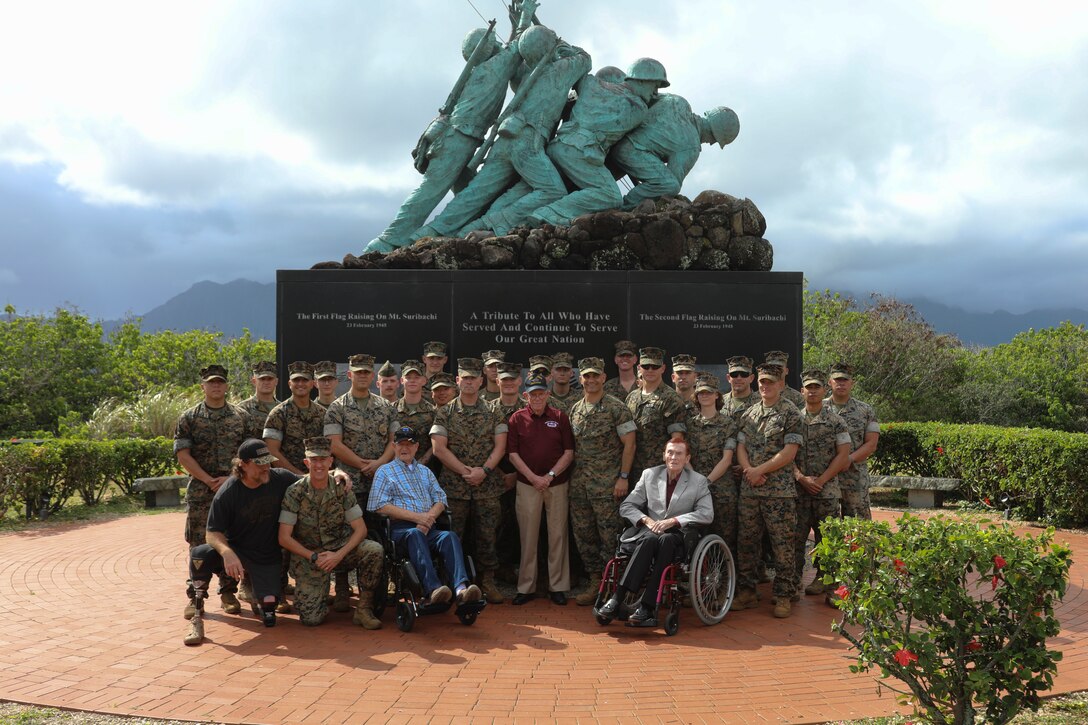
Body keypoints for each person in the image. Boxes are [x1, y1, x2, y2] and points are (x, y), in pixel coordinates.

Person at [364, 2, 538, 252]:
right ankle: (389, 240)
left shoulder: (483, 68)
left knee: (471, 193)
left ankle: (460, 232)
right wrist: (526, 15)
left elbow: (508, 51)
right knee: (432, 190)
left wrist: (514, 25)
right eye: (495, 44)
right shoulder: (493, 70)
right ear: (489, 50)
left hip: (460, 138)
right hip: (459, 138)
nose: (500, 45)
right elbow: (518, 48)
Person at [411, 24, 592, 239]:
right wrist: (561, 46)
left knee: (475, 193)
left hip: (504, 140)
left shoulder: (522, 76)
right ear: (549, 46)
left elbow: (517, 52)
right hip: (527, 143)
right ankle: (487, 224)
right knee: (553, 190)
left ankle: (430, 232)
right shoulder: (561, 70)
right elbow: (585, 59)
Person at [521, 62, 665, 226]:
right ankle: (547, 214)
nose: (655, 93)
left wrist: (602, 83)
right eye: (655, 86)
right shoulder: (638, 108)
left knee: (530, 189)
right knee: (610, 195)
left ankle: (496, 222)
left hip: (558, 145)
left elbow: (578, 72)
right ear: (641, 80)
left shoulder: (591, 83)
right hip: (581, 153)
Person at [596, 439, 712, 626]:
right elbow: (627, 506)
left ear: (687, 458)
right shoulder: (650, 475)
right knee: (651, 539)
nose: (674, 457)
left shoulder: (698, 481)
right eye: (670, 452)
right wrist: (646, 520)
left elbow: (706, 513)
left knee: (665, 540)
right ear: (664, 455)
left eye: (679, 453)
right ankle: (618, 599)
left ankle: (647, 606)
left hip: (678, 535)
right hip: (650, 532)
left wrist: (673, 521)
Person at [176, 365, 259, 620]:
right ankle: (196, 598)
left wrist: (231, 478)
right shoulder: (189, 417)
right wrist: (208, 479)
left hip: (234, 488)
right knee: (199, 544)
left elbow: (250, 454)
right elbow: (182, 454)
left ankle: (228, 592)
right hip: (202, 491)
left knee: (231, 540)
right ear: (202, 386)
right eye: (211, 383)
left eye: (220, 382)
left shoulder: (240, 416)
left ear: (226, 386)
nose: (216, 386)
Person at [278, 437, 385, 629]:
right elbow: (284, 537)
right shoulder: (294, 492)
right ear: (306, 462)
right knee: (311, 620)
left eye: (323, 459)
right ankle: (318, 594)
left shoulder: (341, 488)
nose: (319, 464)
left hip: (339, 550)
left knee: (373, 549)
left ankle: (364, 609)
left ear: (330, 461)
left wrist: (338, 555)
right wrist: (313, 556)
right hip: (310, 556)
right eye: (314, 460)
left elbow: (360, 529)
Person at [369, 427, 483, 606]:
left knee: (449, 537)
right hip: (400, 530)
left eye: (410, 444)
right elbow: (379, 505)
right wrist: (417, 518)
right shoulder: (384, 472)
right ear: (393, 446)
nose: (405, 448)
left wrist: (428, 518)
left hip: (428, 526)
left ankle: (461, 589)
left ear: (417, 447)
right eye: (401, 444)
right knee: (414, 535)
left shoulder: (425, 472)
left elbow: (440, 498)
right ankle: (433, 589)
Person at [430, 357, 509, 603]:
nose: (469, 382)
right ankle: (452, 582)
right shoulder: (445, 412)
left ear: (481, 381)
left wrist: (483, 471)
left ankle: (487, 581)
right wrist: (467, 471)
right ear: (457, 381)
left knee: (488, 535)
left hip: (487, 486)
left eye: (473, 378)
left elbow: (501, 447)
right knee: (453, 536)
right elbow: (438, 449)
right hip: (455, 488)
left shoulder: (495, 411)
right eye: (465, 378)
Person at [733, 363, 803, 618]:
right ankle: (747, 592)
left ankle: (783, 594)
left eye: (770, 382)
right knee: (747, 543)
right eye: (762, 381)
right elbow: (740, 446)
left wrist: (759, 469)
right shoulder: (749, 413)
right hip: (751, 489)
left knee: (782, 544)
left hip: (779, 491)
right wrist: (749, 470)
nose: (765, 386)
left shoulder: (791, 413)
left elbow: (789, 452)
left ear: (780, 384)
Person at [568, 356, 637, 606]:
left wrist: (623, 477)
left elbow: (629, 444)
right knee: (584, 535)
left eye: (595, 375)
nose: (591, 380)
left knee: (610, 537)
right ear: (581, 378)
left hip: (608, 486)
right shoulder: (576, 409)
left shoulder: (616, 408)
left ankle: (614, 585)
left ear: (604, 378)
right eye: (587, 376)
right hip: (580, 486)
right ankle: (595, 581)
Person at [262, 360, 327, 613]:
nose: (300, 384)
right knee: (281, 538)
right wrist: (298, 473)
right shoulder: (278, 413)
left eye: (305, 380)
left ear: (313, 384)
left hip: (315, 484)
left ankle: (310, 586)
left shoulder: (322, 413)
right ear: (289, 384)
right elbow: (271, 450)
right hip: (283, 484)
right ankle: (277, 591)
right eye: (296, 380)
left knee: (310, 533)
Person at [505, 371, 575, 605]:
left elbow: (569, 452)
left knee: (557, 535)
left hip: (556, 484)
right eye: (532, 394)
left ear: (547, 394)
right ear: (526, 395)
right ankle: (526, 587)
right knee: (528, 536)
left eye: (541, 393)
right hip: (527, 485)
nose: (537, 398)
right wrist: (534, 477)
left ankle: (558, 587)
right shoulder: (516, 419)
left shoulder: (560, 416)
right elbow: (513, 455)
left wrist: (550, 475)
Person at [609, 94, 738, 210]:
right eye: (715, 140)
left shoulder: (679, 101)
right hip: (628, 153)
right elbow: (670, 184)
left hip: (614, 136)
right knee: (670, 185)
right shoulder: (691, 146)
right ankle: (623, 209)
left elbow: (645, 97)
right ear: (714, 135)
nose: (711, 143)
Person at [792, 370, 851, 599]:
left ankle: (827, 583)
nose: (812, 391)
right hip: (798, 490)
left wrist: (822, 480)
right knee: (795, 537)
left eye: (817, 387)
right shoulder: (794, 419)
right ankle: (793, 582)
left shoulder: (836, 421)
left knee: (827, 539)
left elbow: (843, 455)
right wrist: (800, 478)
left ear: (823, 390)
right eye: (808, 387)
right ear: (802, 391)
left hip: (826, 491)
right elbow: (787, 454)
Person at [324, 354, 398, 506]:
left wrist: (380, 463)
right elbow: (334, 444)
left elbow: (395, 440)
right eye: (358, 372)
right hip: (349, 482)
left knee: (381, 528)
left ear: (372, 375)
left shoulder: (387, 407)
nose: (362, 376)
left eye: (366, 372)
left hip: (381, 481)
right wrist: (362, 465)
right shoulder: (337, 408)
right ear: (350, 374)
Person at [686, 373, 738, 551]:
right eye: (701, 393)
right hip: (694, 489)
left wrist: (706, 482)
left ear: (717, 395)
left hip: (722, 489)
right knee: (697, 536)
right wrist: (696, 482)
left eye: (709, 392)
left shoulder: (728, 424)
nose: (705, 396)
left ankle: (725, 576)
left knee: (725, 536)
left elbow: (727, 459)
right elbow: (685, 457)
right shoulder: (690, 425)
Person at [824, 362, 881, 520]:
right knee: (828, 528)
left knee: (859, 527)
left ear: (852, 383)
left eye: (845, 380)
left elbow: (871, 444)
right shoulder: (818, 408)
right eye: (837, 380)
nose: (841, 383)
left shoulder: (865, 410)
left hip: (855, 477)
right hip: (826, 478)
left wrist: (849, 459)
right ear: (830, 382)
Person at [626, 346, 686, 482]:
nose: (650, 370)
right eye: (646, 366)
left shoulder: (671, 399)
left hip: (659, 472)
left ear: (663, 368)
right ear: (640, 368)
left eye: (655, 366)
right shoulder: (631, 397)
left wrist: (672, 472)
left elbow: (677, 440)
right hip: (632, 470)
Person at [393, 359, 437, 464]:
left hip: (425, 468)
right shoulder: (391, 409)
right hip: (396, 468)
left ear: (424, 381)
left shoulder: (433, 412)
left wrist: (421, 462)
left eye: (417, 378)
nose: (412, 381)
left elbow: (435, 443)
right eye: (408, 378)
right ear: (402, 381)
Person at [237, 361, 280, 433]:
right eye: (262, 379)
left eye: (270, 379)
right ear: (254, 381)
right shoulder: (242, 409)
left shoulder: (283, 409)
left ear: (276, 381)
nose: (266, 382)